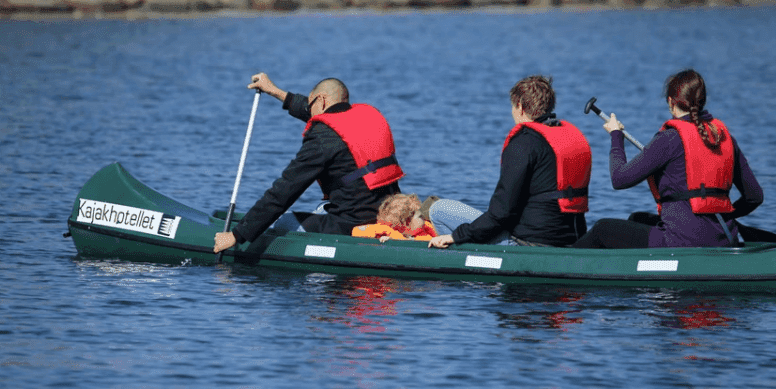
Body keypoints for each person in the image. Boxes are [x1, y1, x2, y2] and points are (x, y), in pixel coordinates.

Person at [571, 69, 763, 249]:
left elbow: (619, 179)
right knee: (637, 218)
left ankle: (564, 259)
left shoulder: (669, 139)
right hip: (724, 236)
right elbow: (754, 197)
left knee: (603, 229)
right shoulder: (723, 136)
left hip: (682, 241)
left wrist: (616, 136)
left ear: (671, 102)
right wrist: (723, 215)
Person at [214, 73, 403, 253]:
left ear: (321, 100)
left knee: (284, 222)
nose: (310, 114)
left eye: (311, 103)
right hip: (386, 215)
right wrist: (274, 91)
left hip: (350, 224)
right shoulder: (369, 117)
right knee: (322, 208)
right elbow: (317, 112)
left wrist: (237, 234)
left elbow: (285, 190)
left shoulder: (323, 138)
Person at [428, 75, 591, 249]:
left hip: (527, 245)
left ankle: (463, 263)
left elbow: (501, 214)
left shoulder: (523, 143)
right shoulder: (568, 140)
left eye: (513, 107)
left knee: (439, 209)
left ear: (520, 106)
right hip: (572, 241)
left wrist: (456, 236)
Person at [352, 193, 438, 242]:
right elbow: (356, 231)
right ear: (407, 222)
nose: (424, 219)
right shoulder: (387, 231)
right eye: (420, 216)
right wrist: (382, 238)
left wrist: (408, 240)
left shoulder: (425, 231)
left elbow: (427, 240)